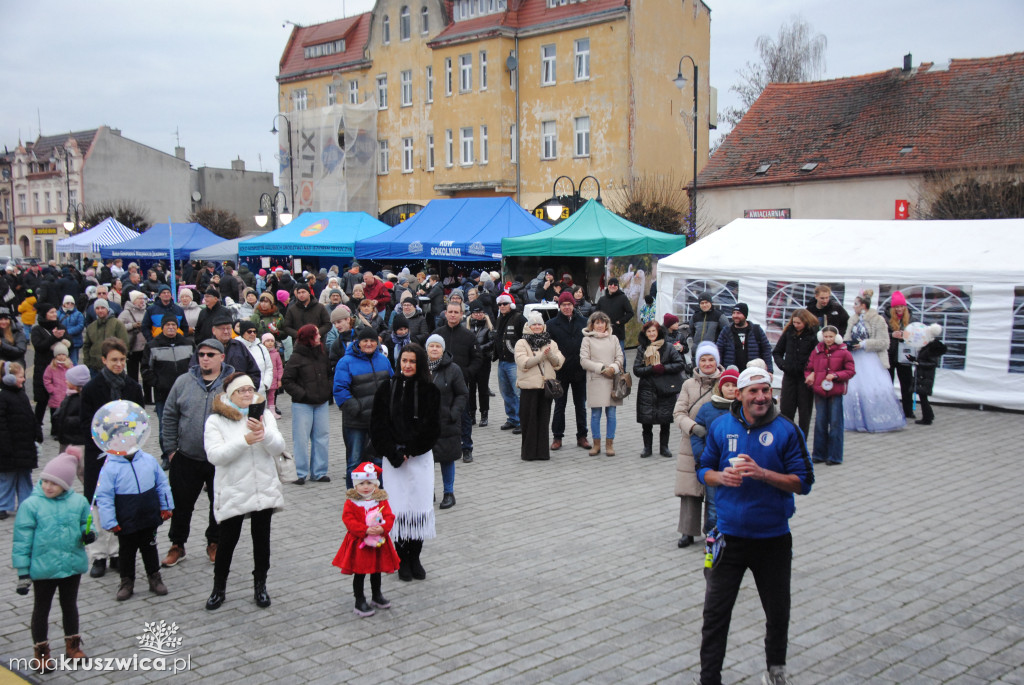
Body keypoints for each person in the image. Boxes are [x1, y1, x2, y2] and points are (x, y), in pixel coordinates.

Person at [696, 366, 815, 685]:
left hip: (772, 539)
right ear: (740, 394)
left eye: (767, 390)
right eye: (754, 391)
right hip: (727, 539)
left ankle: (776, 670)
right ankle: (709, 678)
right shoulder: (722, 426)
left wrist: (764, 474)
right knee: (715, 616)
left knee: (778, 613)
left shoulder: (787, 429)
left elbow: (804, 481)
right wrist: (719, 478)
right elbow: (703, 468)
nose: (761, 397)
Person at [203, 372, 284, 610]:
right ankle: (219, 588)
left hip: (263, 488)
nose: (248, 394)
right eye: (242, 390)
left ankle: (261, 586)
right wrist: (245, 439)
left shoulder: (265, 415)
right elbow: (215, 456)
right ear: (231, 395)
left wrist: (264, 434)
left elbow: (278, 447)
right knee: (227, 541)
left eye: (250, 389)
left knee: (262, 541)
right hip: (234, 489)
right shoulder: (216, 420)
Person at [11, 450, 92, 672]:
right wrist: (23, 572)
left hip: (71, 566)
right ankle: (41, 651)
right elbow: (21, 541)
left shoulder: (79, 502)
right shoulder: (31, 505)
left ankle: (72, 645)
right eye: (45, 481)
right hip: (43, 569)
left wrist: (88, 533)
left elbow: (87, 522)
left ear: (65, 485)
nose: (48, 486)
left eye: (54, 484)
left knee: (70, 606)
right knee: (42, 609)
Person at [160, 338, 233, 569]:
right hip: (186, 456)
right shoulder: (183, 381)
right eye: (201, 354)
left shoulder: (231, 383)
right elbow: (169, 416)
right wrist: (171, 450)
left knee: (218, 503)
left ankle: (214, 542)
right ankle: (177, 544)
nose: (205, 358)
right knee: (181, 505)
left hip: (219, 458)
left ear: (222, 357)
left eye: (211, 354)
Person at [370, 344, 440, 582]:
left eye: (412, 361)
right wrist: (393, 452)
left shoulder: (430, 390)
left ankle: (415, 557)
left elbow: (432, 428)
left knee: (418, 508)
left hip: (419, 459)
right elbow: (378, 426)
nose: (408, 365)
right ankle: (401, 558)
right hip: (394, 461)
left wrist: (411, 450)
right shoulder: (386, 388)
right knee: (398, 509)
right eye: (404, 361)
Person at [79, 339, 145, 578]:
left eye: (122, 360)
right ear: (104, 360)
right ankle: (98, 555)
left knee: (121, 501)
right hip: (99, 454)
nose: (118, 364)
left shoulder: (132, 387)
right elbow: (86, 423)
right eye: (114, 360)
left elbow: (139, 420)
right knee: (98, 504)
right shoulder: (92, 388)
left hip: (126, 453)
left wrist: (126, 443)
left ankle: (118, 552)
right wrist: (105, 441)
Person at [93, 413, 173, 601]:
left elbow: (161, 484)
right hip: (125, 517)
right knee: (127, 552)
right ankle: (127, 581)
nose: (126, 442)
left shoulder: (148, 460)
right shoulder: (110, 467)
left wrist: (166, 505)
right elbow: (104, 496)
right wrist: (109, 520)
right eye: (121, 439)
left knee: (150, 547)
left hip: (148, 514)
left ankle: (154, 577)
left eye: (129, 438)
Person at [672, 342, 725, 547]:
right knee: (690, 490)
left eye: (711, 359)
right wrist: (693, 427)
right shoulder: (688, 385)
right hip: (690, 443)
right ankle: (687, 530)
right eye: (703, 359)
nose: (707, 363)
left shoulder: (725, 383)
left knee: (715, 492)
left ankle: (714, 530)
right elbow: (678, 413)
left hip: (718, 445)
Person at [332, 462, 400, 617]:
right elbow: (348, 520)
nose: (365, 487)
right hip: (359, 543)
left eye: (369, 483)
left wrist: (383, 528)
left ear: (376, 485)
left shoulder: (380, 500)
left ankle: (377, 595)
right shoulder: (352, 502)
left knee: (376, 570)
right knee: (360, 572)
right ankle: (359, 600)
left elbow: (389, 516)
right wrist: (364, 530)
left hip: (377, 542)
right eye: (361, 483)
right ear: (355, 486)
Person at [333, 326, 394, 489]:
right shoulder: (345, 362)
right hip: (356, 422)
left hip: (379, 422)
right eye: (365, 340)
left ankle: (380, 496)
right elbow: (340, 390)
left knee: (379, 460)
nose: (368, 344)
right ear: (358, 342)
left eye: (372, 340)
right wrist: (356, 408)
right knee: (355, 462)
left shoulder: (383, 360)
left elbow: (392, 384)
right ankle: (353, 499)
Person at [844, 290, 905, 433]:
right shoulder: (852, 320)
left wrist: (865, 344)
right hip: (854, 358)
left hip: (870, 359)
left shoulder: (878, 320)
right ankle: (856, 420)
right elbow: (847, 336)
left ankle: (876, 419)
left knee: (871, 388)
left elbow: (884, 342)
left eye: (856, 304)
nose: (854, 306)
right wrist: (847, 344)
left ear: (863, 305)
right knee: (854, 389)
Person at [689, 366, 739, 537]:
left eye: (735, 385)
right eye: (727, 385)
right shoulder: (708, 408)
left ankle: (731, 534)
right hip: (713, 465)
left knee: (736, 502)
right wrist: (702, 455)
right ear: (720, 387)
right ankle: (711, 536)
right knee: (712, 504)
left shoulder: (745, 409)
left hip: (736, 466)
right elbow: (697, 435)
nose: (731, 389)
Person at [281, 324, 333, 484]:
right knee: (301, 439)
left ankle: (319, 472)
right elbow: (287, 381)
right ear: (309, 337)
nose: (319, 336)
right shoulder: (296, 357)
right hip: (302, 405)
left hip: (321, 403)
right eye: (316, 334)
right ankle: (300, 473)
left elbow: (330, 374)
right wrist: (302, 394)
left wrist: (327, 390)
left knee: (322, 437)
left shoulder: (323, 354)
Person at [431, 302, 480, 461]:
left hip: (460, 384)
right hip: (439, 385)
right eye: (450, 312)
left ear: (461, 315)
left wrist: (467, 373)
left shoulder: (468, 336)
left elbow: (478, 359)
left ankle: (467, 447)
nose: (453, 315)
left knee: (464, 417)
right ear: (445, 314)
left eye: (456, 312)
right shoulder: (437, 335)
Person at [425, 334, 468, 509]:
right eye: (431, 346)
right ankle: (428, 491)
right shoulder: (420, 367)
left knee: (447, 459)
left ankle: (448, 493)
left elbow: (462, 393)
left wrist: (453, 413)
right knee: (426, 460)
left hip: (447, 422)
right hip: (424, 423)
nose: (434, 349)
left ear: (443, 349)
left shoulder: (453, 369)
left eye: (438, 346)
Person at [514, 311, 564, 462]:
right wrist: (541, 357)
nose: (536, 326)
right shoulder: (521, 343)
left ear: (543, 326)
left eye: (539, 324)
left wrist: (550, 355)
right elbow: (523, 363)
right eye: (533, 324)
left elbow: (558, 363)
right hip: (529, 388)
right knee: (529, 421)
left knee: (543, 421)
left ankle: (542, 452)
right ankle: (528, 453)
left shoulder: (551, 343)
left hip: (545, 388)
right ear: (528, 326)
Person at [141, 318, 195, 456]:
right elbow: (146, 369)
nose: (171, 327)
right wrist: (158, 383)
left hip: (186, 392)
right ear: (162, 327)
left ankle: (184, 453)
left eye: (173, 325)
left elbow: (195, 366)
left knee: (186, 424)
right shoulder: (152, 345)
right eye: (167, 325)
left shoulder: (188, 343)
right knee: (165, 426)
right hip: (163, 393)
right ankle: (166, 454)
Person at [805, 325, 856, 465]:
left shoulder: (844, 352)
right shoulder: (816, 351)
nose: (828, 339)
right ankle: (819, 454)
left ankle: (834, 456)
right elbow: (809, 367)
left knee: (835, 423)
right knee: (820, 422)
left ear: (836, 337)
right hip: (820, 390)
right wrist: (809, 376)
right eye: (826, 336)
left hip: (836, 391)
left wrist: (835, 375)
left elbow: (850, 371)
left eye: (831, 337)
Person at [635, 321, 686, 458]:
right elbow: (636, 369)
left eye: (654, 331)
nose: (651, 334)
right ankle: (647, 448)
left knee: (665, 419)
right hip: (647, 388)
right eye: (649, 332)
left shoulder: (668, 347)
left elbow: (679, 364)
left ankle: (664, 447)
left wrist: (664, 368)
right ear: (645, 334)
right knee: (647, 420)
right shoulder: (642, 349)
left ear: (658, 332)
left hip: (665, 388)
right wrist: (651, 369)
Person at [547, 291, 591, 452]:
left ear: (574, 305)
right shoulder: (551, 324)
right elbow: (549, 347)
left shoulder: (584, 322)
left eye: (569, 304)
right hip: (560, 372)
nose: (567, 307)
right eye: (564, 305)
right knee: (560, 405)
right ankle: (557, 436)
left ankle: (582, 436)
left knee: (581, 405)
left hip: (579, 371)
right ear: (560, 306)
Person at [579, 311, 624, 457]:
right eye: (597, 323)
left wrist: (613, 368)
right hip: (596, 379)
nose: (600, 325)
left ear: (606, 324)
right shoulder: (587, 340)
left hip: (612, 380)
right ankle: (596, 444)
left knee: (611, 414)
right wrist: (601, 368)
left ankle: (609, 444)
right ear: (592, 324)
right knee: (595, 415)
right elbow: (584, 361)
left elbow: (620, 357)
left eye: (602, 322)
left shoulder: (614, 338)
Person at [1, 364, 41, 517]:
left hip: (24, 445)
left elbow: (30, 417)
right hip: (10, 446)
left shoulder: (21, 394)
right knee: (7, 478)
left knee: (25, 477)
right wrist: (4, 445)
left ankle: (26, 503)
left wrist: (37, 432)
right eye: (20, 376)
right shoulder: (3, 396)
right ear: (9, 378)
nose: (24, 379)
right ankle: (3, 505)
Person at [772, 309, 819, 438]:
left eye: (799, 323)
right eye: (794, 322)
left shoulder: (813, 335)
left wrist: (812, 371)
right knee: (786, 411)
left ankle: (802, 441)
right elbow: (777, 352)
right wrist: (783, 365)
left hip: (805, 378)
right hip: (789, 377)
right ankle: (786, 439)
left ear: (805, 322)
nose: (796, 325)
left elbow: (818, 356)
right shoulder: (789, 333)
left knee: (805, 413)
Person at [31, 304, 69, 424]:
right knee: (42, 400)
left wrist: (63, 339)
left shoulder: (60, 326)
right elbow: (39, 346)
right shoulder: (37, 330)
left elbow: (70, 342)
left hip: (59, 369)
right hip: (42, 367)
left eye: (55, 312)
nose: (54, 314)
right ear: (44, 314)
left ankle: (56, 428)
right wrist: (53, 337)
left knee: (57, 400)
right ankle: (37, 427)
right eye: (51, 312)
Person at [492, 294, 525, 433]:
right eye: (499, 304)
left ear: (511, 304)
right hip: (502, 361)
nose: (502, 306)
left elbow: (525, 337)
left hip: (514, 362)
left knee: (518, 393)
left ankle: (522, 421)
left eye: (504, 304)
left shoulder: (519, 318)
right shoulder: (500, 318)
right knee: (506, 393)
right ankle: (512, 418)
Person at [907, 324, 947, 426]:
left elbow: (932, 363)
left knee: (923, 397)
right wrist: (914, 360)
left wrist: (918, 363)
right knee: (923, 397)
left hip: (925, 375)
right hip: (923, 375)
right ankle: (929, 415)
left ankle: (927, 418)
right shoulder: (928, 346)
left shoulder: (931, 348)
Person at [885, 290, 917, 419]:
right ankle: (887, 409)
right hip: (890, 354)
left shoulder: (911, 318)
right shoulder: (885, 319)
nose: (899, 309)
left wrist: (907, 336)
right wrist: (892, 335)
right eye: (897, 307)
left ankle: (908, 411)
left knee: (907, 384)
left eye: (902, 306)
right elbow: (879, 336)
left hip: (905, 354)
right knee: (888, 384)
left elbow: (917, 335)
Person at [715, 303, 773, 373]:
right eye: (734, 313)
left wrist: (769, 370)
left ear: (745, 315)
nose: (735, 316)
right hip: (731, 374)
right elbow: (718, 352)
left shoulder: (756, 330)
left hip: (753, 373)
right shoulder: (726, 331)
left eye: (738, 313)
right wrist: (719, 371)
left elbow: (766, 350)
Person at [465, 300, 494, 431]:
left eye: (480, 312)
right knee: (470, 389)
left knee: (483, 389)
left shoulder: (489, 327)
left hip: (483, 361)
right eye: (476, 313)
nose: (478, 315)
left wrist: (477, 348)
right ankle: (472, 414)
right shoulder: (466, 327)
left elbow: (492, 343)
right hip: (470, 362)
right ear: (471, 314)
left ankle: (484, 414)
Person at [81, 299, 128, 374]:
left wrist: (119, 361)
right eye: (97, 308)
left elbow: (124, 344)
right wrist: (87, 363)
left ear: (107, 309)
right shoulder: (91, 327)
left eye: (102, 308)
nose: (100, 310)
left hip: (113, 366)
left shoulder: (117, 324)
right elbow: (86, 346)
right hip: (94, 367)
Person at [53, 365, 92, 453]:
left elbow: (85, 419)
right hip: (66, 439)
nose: (66, 381)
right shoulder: (69, 395)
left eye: (69, 380)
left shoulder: (83, 398)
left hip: (76, 441)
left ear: (76, 383)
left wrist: (68, 421)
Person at [118, 290, 150, 399]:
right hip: (132, 347)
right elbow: (119, 326)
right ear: (133, 300)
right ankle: (133, 396)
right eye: (139, 299)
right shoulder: (126, 313)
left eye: (143, 298)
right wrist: (132, 325)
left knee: (146, 372)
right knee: (132, 374)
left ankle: (148, 397)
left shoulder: (147, 311)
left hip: (145, 346)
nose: (142, 301)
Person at [687, 292, 730, 364]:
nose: (704, 305)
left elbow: (727, 332)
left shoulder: (719, 315)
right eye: (702, 303)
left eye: (706, 302)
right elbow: (691, 330)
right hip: (697, 351)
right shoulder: (695, 316)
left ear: (711, 303)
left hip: (714, 351)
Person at [594, 278, 634, 357]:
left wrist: (620, 321)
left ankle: (622, 369)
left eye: (615, 284)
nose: (613, 286)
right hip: (604, 333)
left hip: (618, 333)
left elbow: (630, 313)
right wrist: (599, 325)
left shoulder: (623, 298)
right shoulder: (602, 300)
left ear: (618, 286)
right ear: (608, 286)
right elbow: (595, 314)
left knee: (620, 355)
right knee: (606, 355)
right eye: (611, 284)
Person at [238, 320, 273, 397]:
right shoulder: (237, 347)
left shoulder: (261, 347)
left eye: (255, 331)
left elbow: (269, 367)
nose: (252, 334)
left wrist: (266, 384)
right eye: (249, 331)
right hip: (242, 392)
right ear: (243, 332)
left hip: (260, 391)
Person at [58, 295, 85, 364]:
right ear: (63, 304)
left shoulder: (78, 314)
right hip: (62, 341)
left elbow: (80, 326)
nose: (70, 305)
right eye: (67, 303)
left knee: (73, 362)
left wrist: (67, 332)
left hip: (74, 342)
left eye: (72, 303)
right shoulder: (58, 313)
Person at [262, 333, 284, 418]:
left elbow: (280, 367)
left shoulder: (276, 354)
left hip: (274, 380)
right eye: (267, 341)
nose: (270, 343)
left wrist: (279, 379)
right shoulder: (262, 353)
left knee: (272, 396)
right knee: (263, 396)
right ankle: (263, 412)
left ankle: (272, 411)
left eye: (272, 341)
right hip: (264, 380)